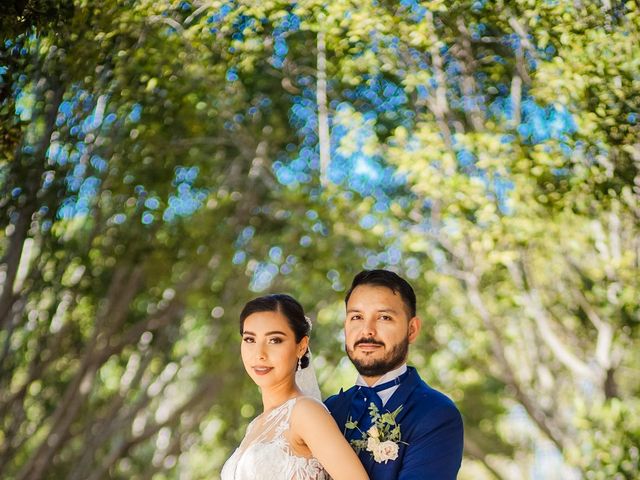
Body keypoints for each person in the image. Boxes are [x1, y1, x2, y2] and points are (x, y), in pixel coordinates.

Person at [325, 269, 464, 479]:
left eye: (384, 317)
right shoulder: (326, 410)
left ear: (412, 330)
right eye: (356, 317)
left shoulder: (436, 414)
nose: (367, 331)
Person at [221, 294, 369, 480]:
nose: (259, 354)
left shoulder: (305, 412)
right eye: (250, 339)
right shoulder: (256, 425)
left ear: (301, 346)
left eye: (274, 340)